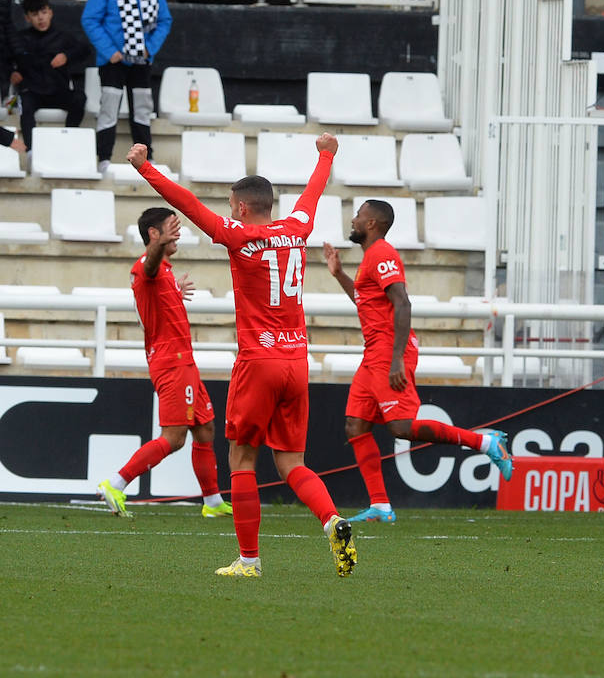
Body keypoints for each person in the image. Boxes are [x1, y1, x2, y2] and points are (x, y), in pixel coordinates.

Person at [126, 134, 357, 578]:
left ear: (243, 207)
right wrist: (326, 154)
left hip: (258, 360)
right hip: (297, 361)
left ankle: (249, 561)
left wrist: (144, 167)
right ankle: (332, 519)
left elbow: (187, 204)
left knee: (242, 458)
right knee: (291, 462)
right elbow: (314, 191)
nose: (230, 211)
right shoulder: (298, 228)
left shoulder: (238, 236)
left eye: (232, 205)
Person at [323, 200, 513, 524]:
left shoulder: (382, 253)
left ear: (371, 224)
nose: (353, 220)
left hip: (388, 352)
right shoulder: (370, 257)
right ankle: (381, 506)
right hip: (374, 354)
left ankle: (484, 442)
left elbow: (403, 302)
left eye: (358, 216)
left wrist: (397, 359)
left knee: (401, 428)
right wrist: (339, 273)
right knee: (356, 425)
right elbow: (365, 299)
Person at [95, 208, 232, 520]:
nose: (178, 232)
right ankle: (115, 483)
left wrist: (175, 292)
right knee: (174, 438)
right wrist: (157, 247)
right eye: (171, 227)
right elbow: (150, 265)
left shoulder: (163, 273)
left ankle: (212, 502)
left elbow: (155, 293)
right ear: (154, 234)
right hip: (172, 364)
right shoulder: (148, 265)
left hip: (184, 362)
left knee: (205, 428)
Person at [81, 0, 171, 173]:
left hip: (142, 61)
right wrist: (110, 51)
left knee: (142, 110)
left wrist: (150, 48)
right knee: (109, 108)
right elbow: (90, 20)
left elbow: (164, 21)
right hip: (113, 61)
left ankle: (146, 160)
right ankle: (103, 158)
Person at [9, 0, 89, 150]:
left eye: (44, 13)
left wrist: (66, 56)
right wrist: (11, 72)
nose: (40, 18)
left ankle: (68, 138)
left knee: (79, 98)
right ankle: (31, 150)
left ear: (51, 13)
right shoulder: (20, 39)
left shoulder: (63, 37)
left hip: (58, 91)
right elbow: (5, 58)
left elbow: (85, 50)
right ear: (27, 18)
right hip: (32, 92)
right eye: (35, 14)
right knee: (25, 104)